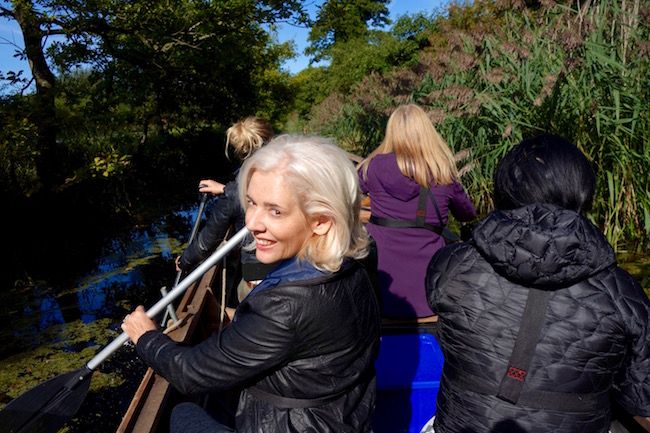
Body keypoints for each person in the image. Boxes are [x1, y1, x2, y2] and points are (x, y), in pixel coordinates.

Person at [122, 135, 381, 433]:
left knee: (181, 413)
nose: (253, 223)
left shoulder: (287, 303)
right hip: (345, 417)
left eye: (275, 211)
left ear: (320, 221)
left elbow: (189, 373)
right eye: (251, 203)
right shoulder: (355, 264)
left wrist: (146, 337)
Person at [425, 134, 650, 432]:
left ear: (504, 191)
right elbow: (640, 397)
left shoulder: (450, 265)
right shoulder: (623, 293)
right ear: (582, 195)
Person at [357, 104, 476, 320]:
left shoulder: (371, 167)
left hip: (382, 293)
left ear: (391, 133)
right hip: (429, 295)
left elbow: (346, 194)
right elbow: (467, 214)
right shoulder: (442, 173)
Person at [176, 116, 277, 304]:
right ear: (271, 139)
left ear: (240, 151)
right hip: (294, 265)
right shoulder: (288, 174)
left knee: (242, 297)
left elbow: (206, 243)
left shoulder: (235, 194)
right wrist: (225, 189)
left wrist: (184, 261)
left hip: (259, 274)